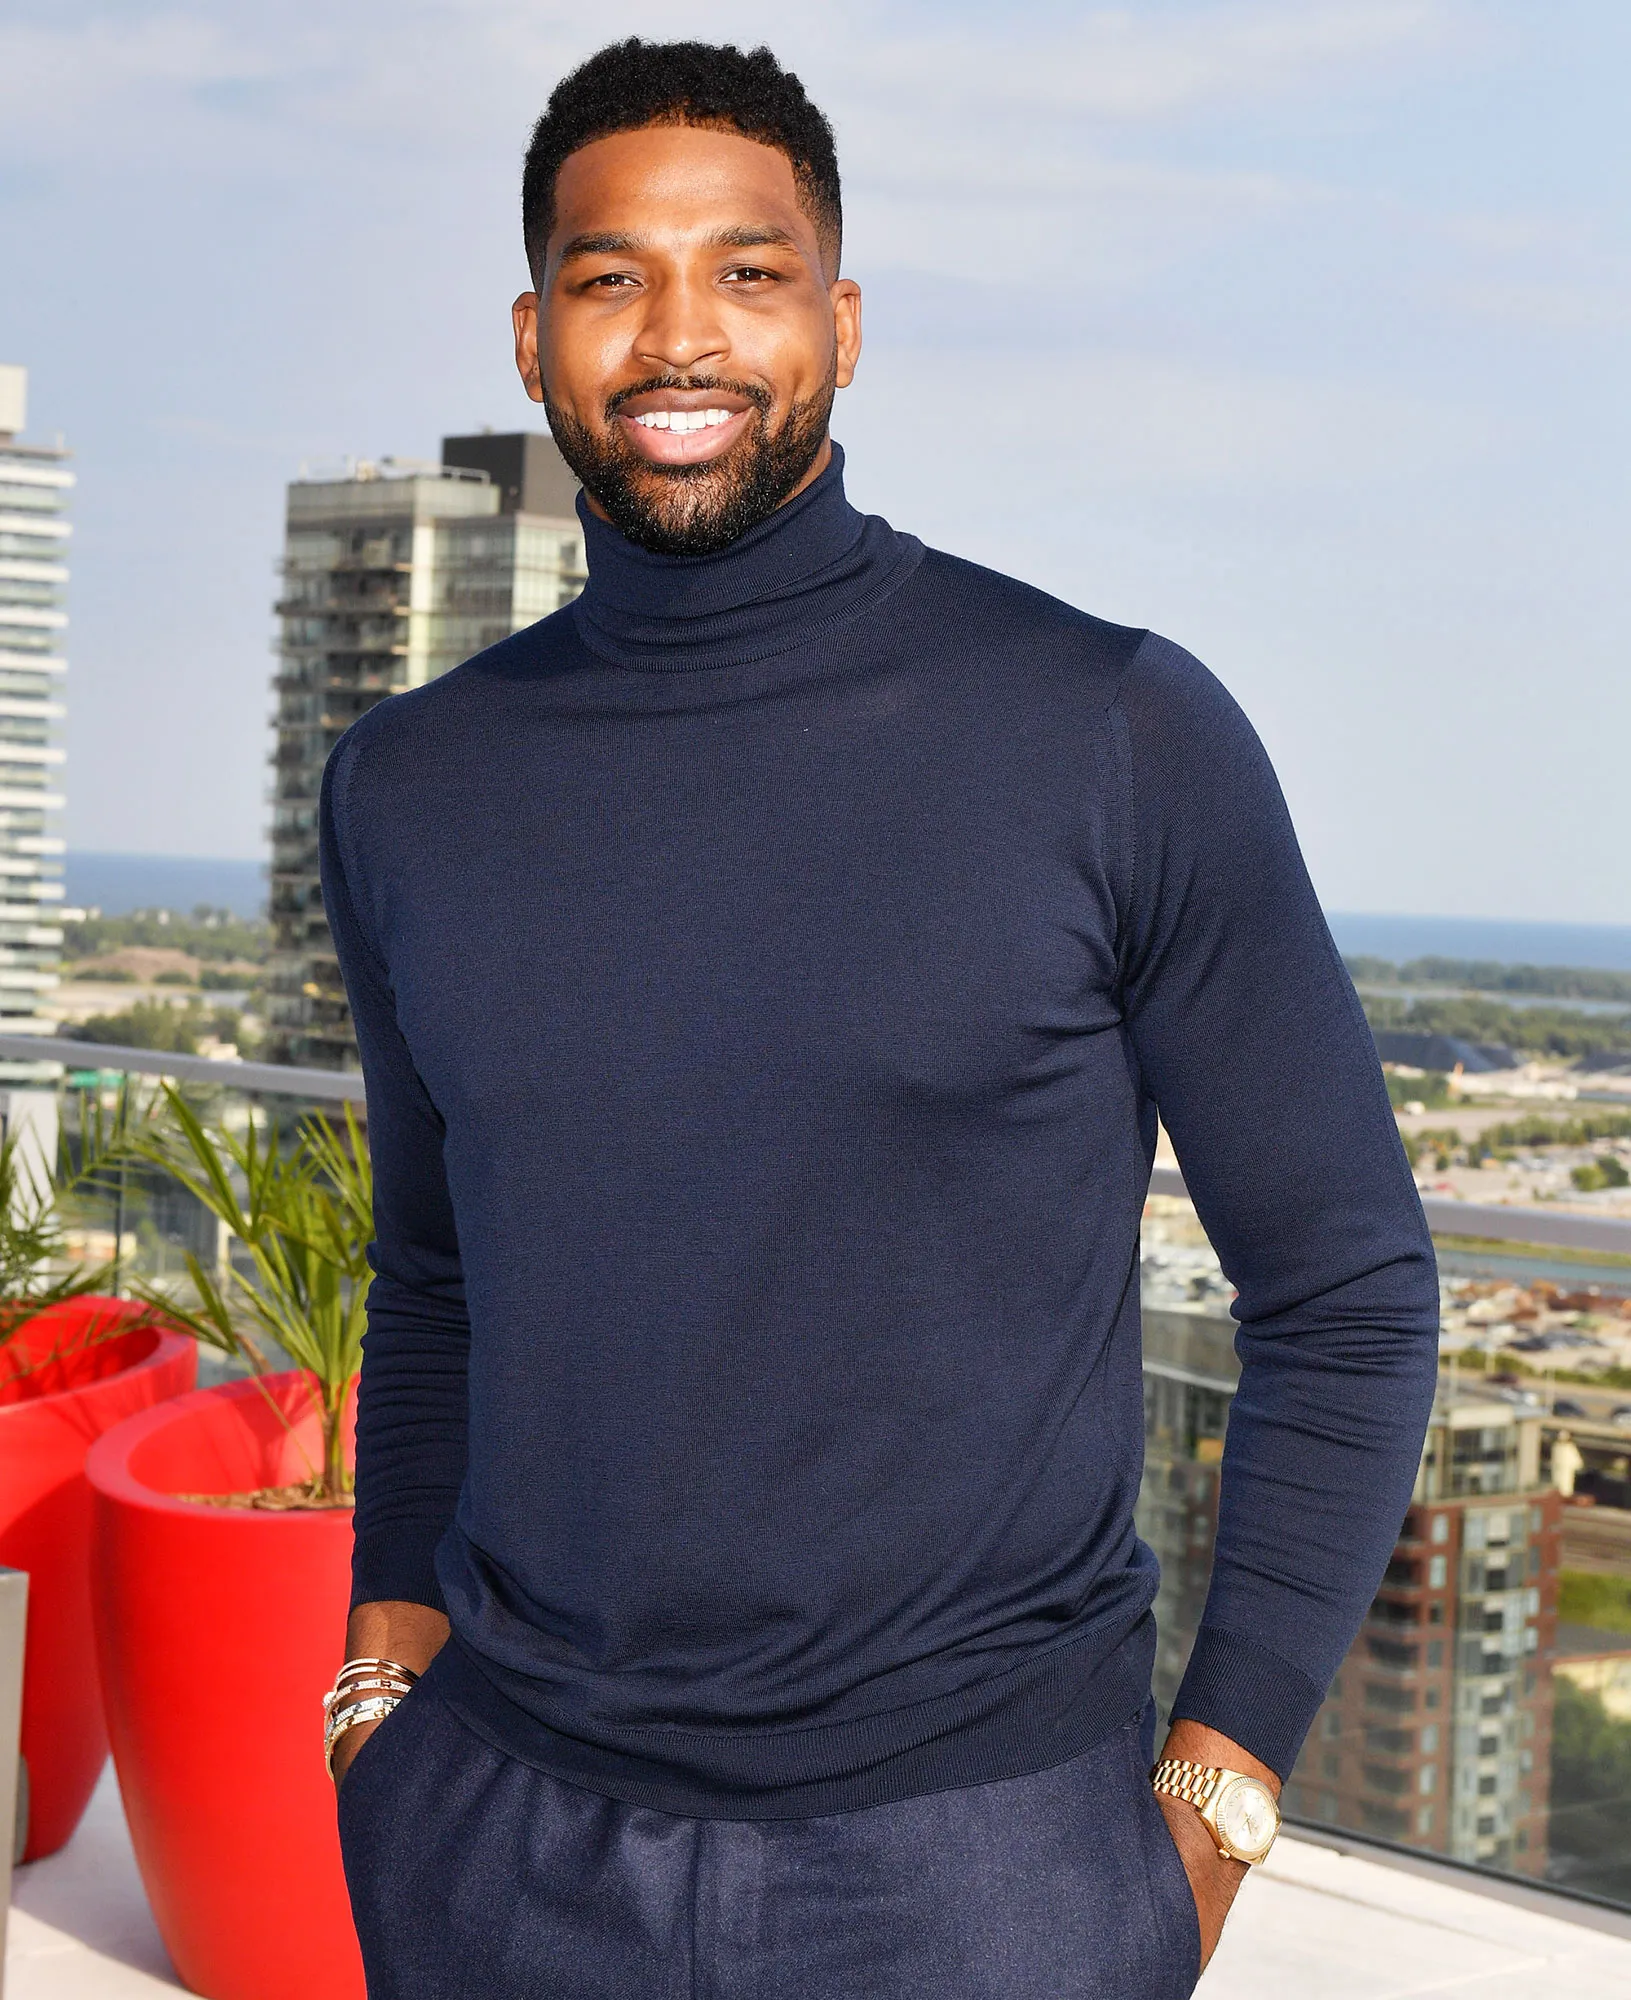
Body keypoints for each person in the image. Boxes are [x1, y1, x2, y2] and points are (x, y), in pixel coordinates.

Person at [321, 37, 1439, 1999]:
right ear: (530, 340)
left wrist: (1213, 1799)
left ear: (839, 325)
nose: (679, 335)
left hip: (978, 1869)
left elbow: (1343, 1286)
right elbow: (434, 1276)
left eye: (746, 273)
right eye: (611, 277)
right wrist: (382, 1694)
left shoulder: (1109, 729)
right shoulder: (407, 785)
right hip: (499, 1844)